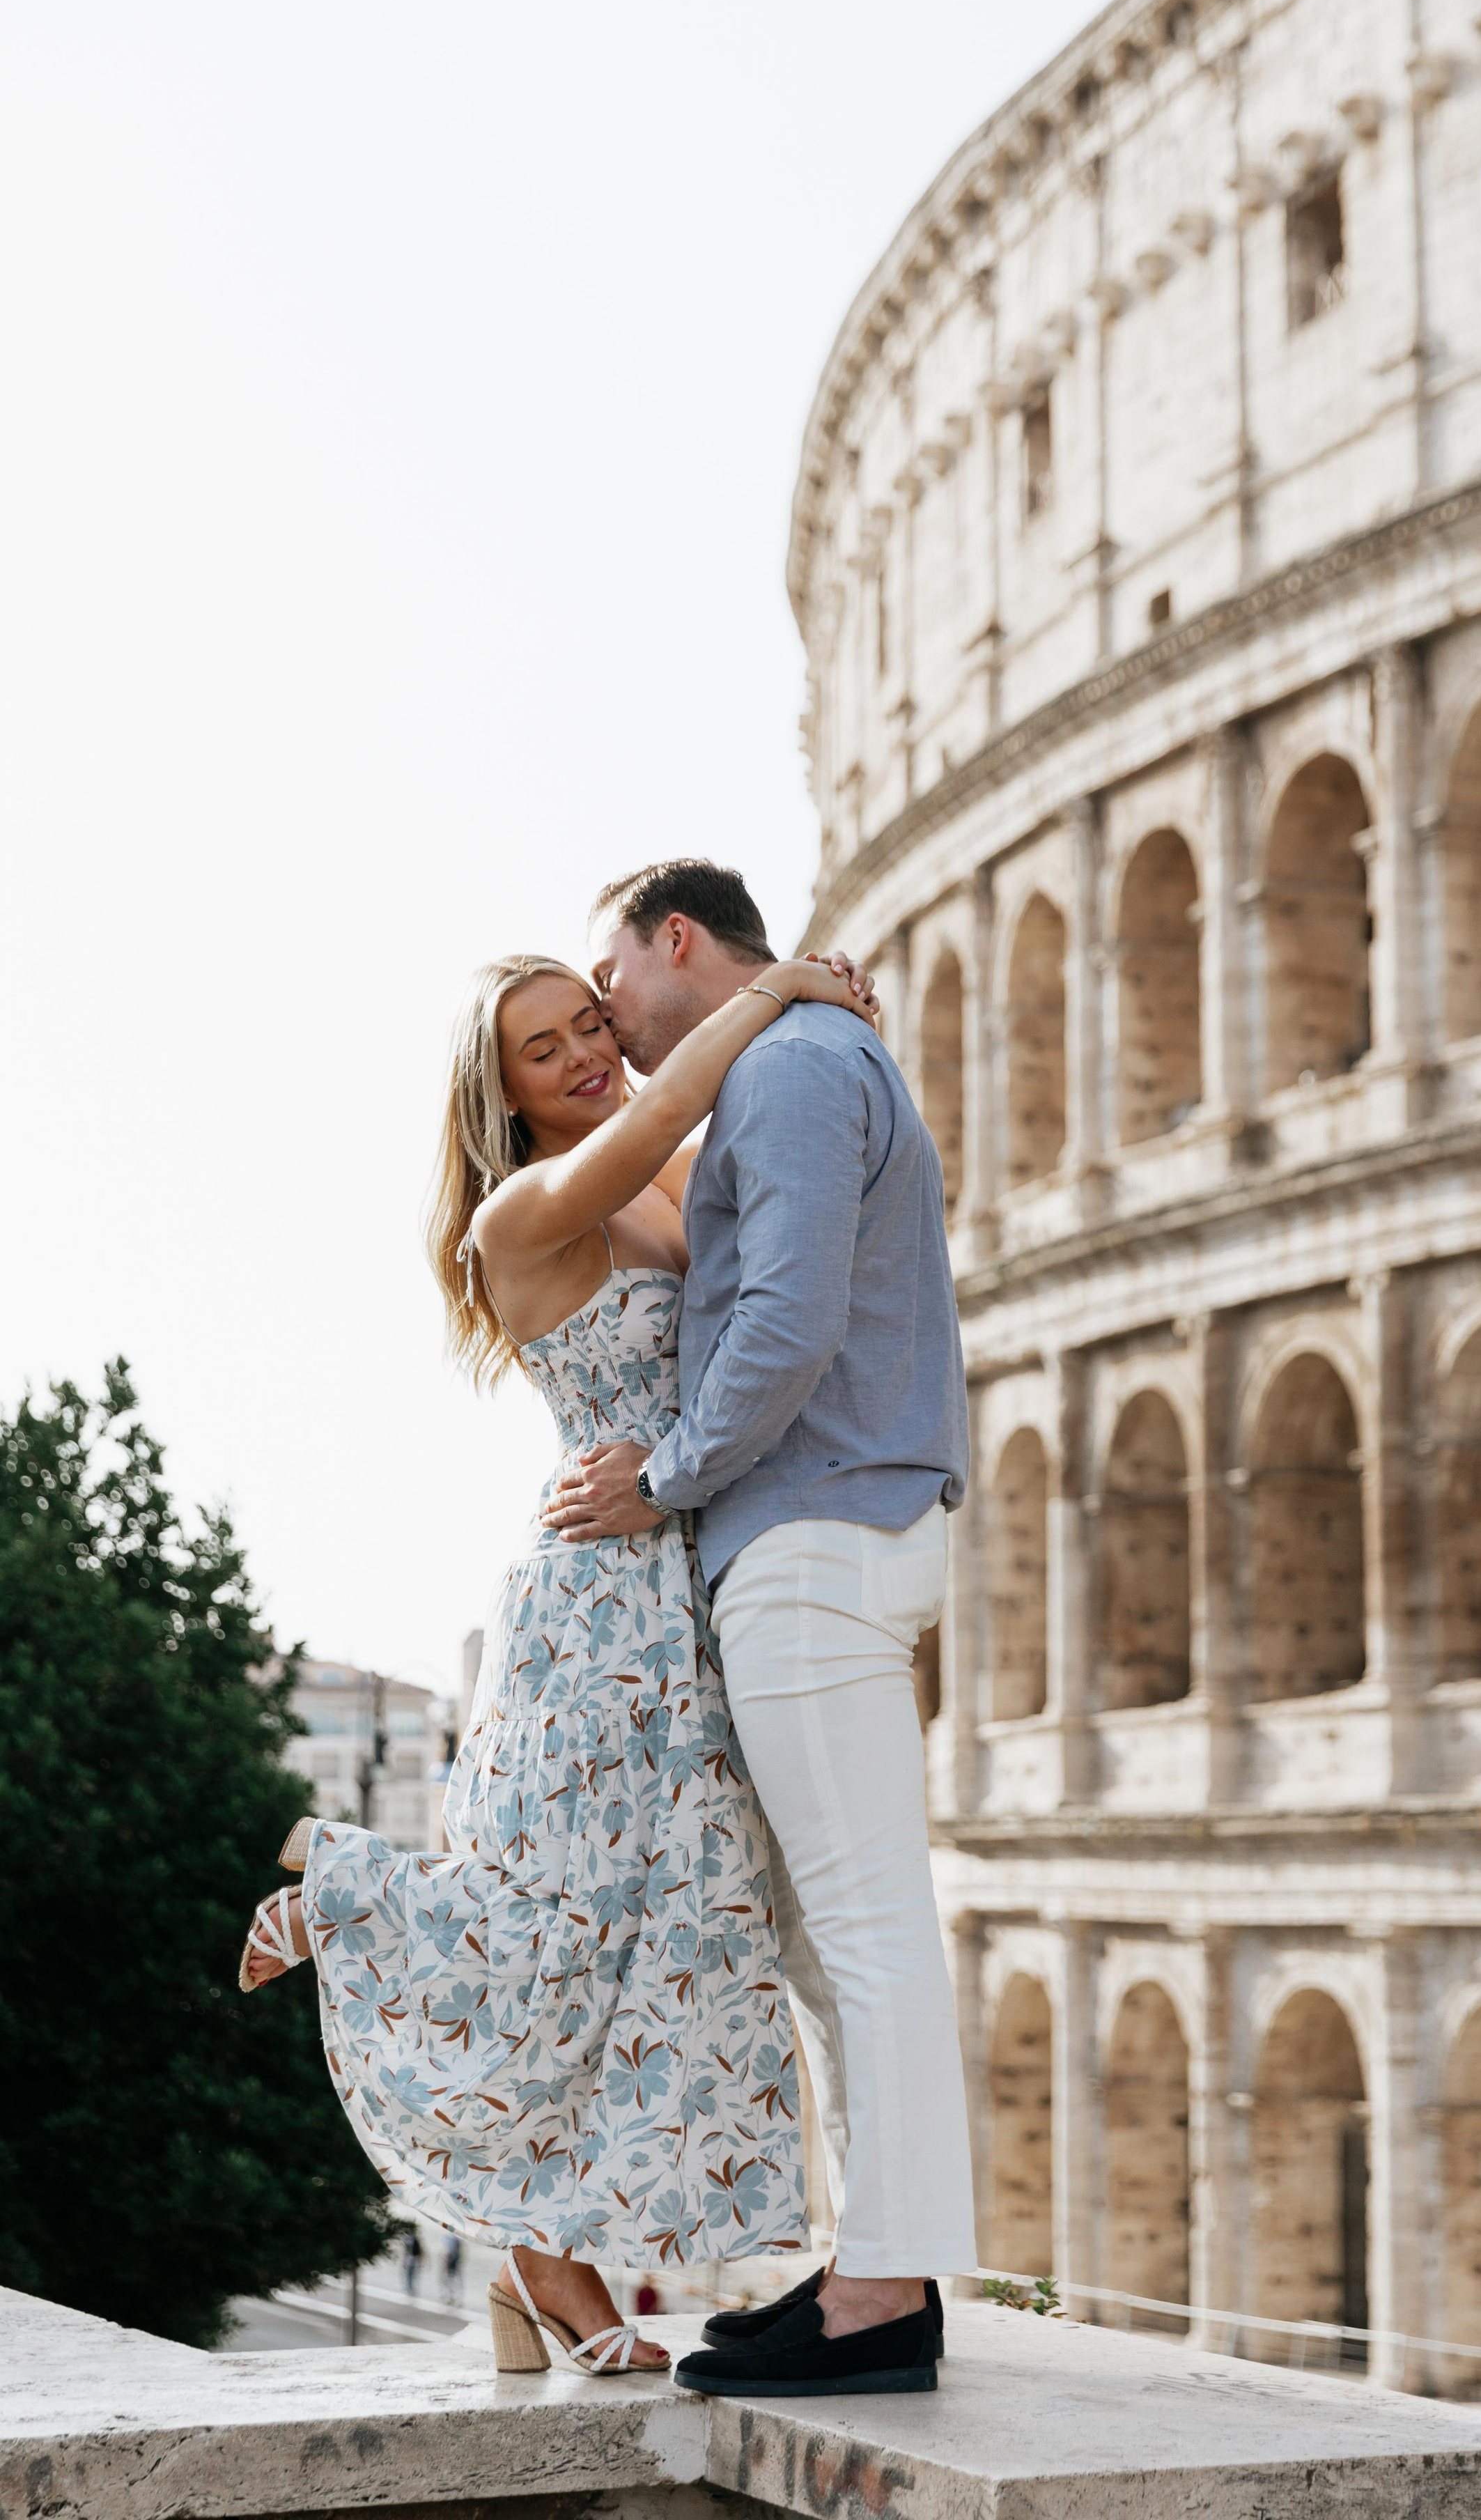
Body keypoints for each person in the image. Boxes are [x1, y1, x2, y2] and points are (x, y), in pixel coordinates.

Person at [234, 943, 877, 2379]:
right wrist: (779, 992)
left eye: (593, 1024)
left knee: (660, 1936)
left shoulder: (663, 1184)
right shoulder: (522, 1210)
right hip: (596, 1607)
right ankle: (356, 1897)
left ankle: (553, 2268)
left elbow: (776, 1192)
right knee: (567, 1926)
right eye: (547, 1047)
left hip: (691, 1590)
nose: (588, 1054)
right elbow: (673, 1107)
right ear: (503, 1093)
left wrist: (831, 1036)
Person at [545, 858, 975, 2402]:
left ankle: (883, 2298)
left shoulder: (791, 1069)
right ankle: (876, 2266)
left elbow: (786, 1318)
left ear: (677, 939)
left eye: (611, 979)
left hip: (815, 1533)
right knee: (826, 1935)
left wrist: (660, 1479)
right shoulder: (797, 1054)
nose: (607, 1013)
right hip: (833, 1526)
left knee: (862, 1928)